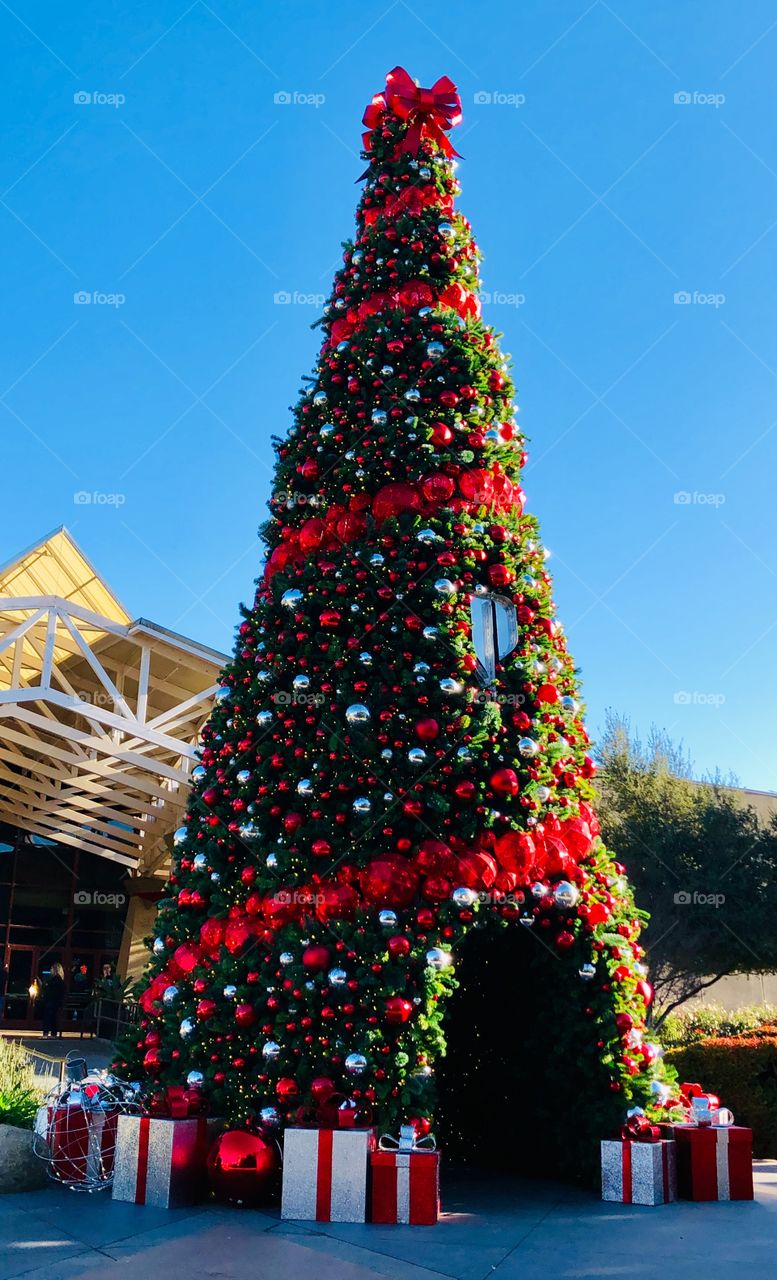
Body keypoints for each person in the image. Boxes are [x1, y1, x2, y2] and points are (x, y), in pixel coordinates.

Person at [40, 963, 66, 1039]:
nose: (50, 970)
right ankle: (54, 1034)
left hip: (51, 1002)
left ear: (55, 970)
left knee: (48, 1017)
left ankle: (46, 1034)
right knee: (54, 1018)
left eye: (51, 969)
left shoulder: (54, 980)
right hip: (57, 1003)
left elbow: (49, 991)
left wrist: (43, 986)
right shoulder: (61, 981)